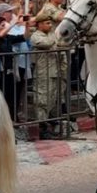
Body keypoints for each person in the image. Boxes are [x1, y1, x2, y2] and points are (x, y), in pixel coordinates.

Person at [29, 9, 65, 139]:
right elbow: (47, 43)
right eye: (47, 23)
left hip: (53, 71)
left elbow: (61, 44)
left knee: (51, 99)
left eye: (50, 23)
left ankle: (48, 124)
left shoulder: (51, 34)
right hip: (42, 73)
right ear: (39, 24)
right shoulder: (36, 36)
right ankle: (42, 128)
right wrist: (57, 38)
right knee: (42, 99)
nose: (50, 26)